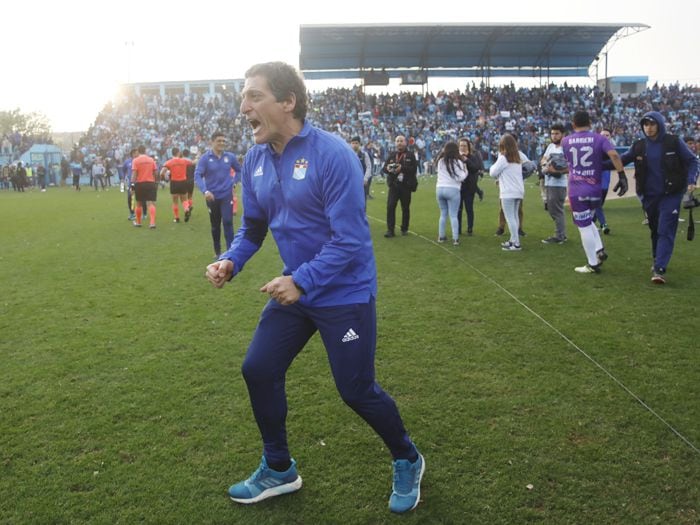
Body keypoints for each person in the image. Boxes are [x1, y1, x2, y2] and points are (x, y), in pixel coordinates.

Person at [205, 61, 424, 514]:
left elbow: (350, 240)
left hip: (343, 291)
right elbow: (252, 227)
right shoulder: (255, 160)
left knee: (356, 389)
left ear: (288, 102)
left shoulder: (332, 154)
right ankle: (279, 468)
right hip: (296, 289)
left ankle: (407, 457)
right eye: (243, 97)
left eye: (254, 96)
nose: (243, 106)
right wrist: (230, 260)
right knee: (258, 369)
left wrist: (300, 281)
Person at [613, 112, 698, 284]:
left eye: (652, 124)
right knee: (655, 229)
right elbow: (621, 160)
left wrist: (691, 181)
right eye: (646, 124)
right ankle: (657, 257)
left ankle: (659, 268)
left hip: (671, 194)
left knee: (665, 229)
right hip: (649, 196)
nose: (649, 128)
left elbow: (693, 161)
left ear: (659, 124)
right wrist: (597, 164)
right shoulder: (639, 146)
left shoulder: (673, 142)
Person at [562, 111, 627, 274]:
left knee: (583, 226)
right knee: (589, 220)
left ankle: (593, 264)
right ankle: (599, 249)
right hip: (595, 187)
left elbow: (569, 162)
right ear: (590, 123)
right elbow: (613, 155)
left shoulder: (566, 141)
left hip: (577, 188)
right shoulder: (600, 138)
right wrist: (621, 175)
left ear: (573, 124)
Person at [195, 131, 242, 257]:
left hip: (226, 195)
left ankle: (230, 252)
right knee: (215, 225)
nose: (222, 143)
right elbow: (197, 175)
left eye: (223, 141)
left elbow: (239, 170)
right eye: (219, 141)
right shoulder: (205, 158)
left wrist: (234, 182)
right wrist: (205, 191)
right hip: (212, 197)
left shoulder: (230, 157)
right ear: (212, 142)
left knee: (227, 222)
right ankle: (217, 251)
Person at [489, 134, 529, 251]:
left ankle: (516, 243)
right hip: (519, 191)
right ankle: (513, 239)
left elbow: (492, 172)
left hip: (508, 192)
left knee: (510, 217)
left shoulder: (503, 158)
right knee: (515, 216)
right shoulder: (517, 158)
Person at [382, 135, 418, 237]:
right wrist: (388, 168)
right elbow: (383, 169)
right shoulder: (392, 155)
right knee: (390, 207)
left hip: (406, 185)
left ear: (405, 142)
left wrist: (401, 168)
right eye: (397, 141)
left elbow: (413, 170)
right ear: (395, 143)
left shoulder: (410, 155)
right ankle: (390, 230)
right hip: (394, 185)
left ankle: (404, 228)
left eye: (401, 141)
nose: (399, 143)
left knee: (405, 208)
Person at [540, 124, 569, 244]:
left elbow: (570, 167)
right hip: (549, 182)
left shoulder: (566, 147)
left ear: (563, 134)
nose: (554, 136)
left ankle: (560, 236)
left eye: (557, 133)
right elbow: (543, 159)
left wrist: (556, 171)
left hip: (559, 183)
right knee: (553, 209)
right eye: (552, 133)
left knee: (556, 210)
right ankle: (561, 234)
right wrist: (545, 164)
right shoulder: (551, 146)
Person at [435, 141, 467, 245]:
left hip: (440, 189)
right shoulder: (458, 162)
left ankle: (441, 236)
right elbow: (461, 177)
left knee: (443, 214)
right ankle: (455, 238)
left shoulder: (440, 161)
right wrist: (466, 171)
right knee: (453, 215)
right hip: (452, 189)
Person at [456, 137, 484, 236]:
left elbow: (475, 168)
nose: (462, 147)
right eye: (461, 145)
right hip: (459, 187)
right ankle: (458, 229)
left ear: (468, 146)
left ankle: (470, 229)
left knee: (469, 209)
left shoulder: (472, 157)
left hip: (469, 187)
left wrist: (466, 160)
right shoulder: (456, 157)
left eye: (464, 145)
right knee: (458, 210)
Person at [160, 147, 192, 223]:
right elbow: (192, 162)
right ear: (178, 153)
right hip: (183, 182)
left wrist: (164, 179)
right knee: (184, 199)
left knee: (175, 202)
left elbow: (161, 173)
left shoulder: (169, 162)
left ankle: (176, 218)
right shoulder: (184, 161)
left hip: (174, 183)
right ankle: (187, 210)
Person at [131, 145, 158, 229]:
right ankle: (152, 223)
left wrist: (132, 186)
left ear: (138, 151)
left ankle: (138, 223)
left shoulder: (135, 160)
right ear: (145, 150)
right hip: (150, 183)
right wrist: (155, 181)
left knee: (139, 204)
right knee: (150, 203)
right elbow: (156, 173)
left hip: (140, 184)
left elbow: (134, 175)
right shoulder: (151, 160)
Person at [594, 128, 615, 235]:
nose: (605, 137)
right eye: (603, 135)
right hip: (595, 182)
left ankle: (591, 223)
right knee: (597, 205)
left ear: (610, 137)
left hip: (605, 183)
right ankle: (603, 225)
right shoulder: (596, 148)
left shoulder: (611, 149)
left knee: (599, 205)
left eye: (607, 135)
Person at [350, 136, 372, 207]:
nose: (354, 145)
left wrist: (365, 179)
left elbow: (369, 167)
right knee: (351, 201)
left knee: (362, 202)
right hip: (351, 182)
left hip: (362, 182)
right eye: (353, 143)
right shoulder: (348, 154)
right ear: (350, 144)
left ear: (359, 144)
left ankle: (362, 217)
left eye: (356, 143)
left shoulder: (364, 154)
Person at [182, 148, 196, 221]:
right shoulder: (191, 162)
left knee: (184, 197)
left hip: (184, 180)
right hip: (191, 180)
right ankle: (190, 206)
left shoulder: (181, 161)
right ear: (188, 154)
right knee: (190, 195)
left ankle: (187, 208)